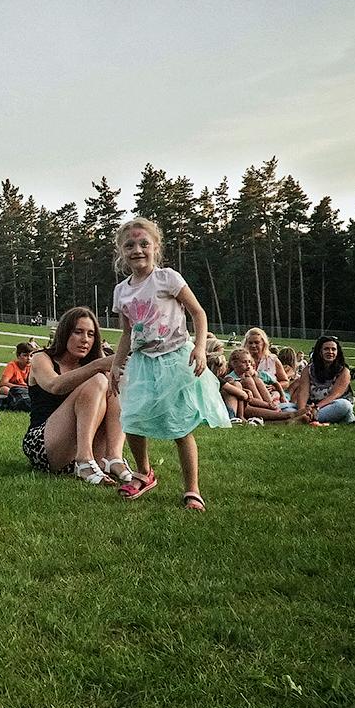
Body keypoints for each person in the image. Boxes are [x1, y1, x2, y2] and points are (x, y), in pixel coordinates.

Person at [109, 217, 230, 511]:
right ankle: (144, 472)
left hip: (175, 359)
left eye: (143, 244)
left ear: (155, 247)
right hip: (141, 363)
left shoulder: (168, 279)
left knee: (180, 425)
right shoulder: (121, 291)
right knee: (133, 419)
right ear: (121, 252)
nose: (137, 250)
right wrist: (116, 364)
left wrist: (200, 349)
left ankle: (192, 489)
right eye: (130, 245)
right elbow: (127, 333)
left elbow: (198, 313)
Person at [23, 306, 130, 486]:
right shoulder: (42, 358)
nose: (85, 340)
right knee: (98, 380)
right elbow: (54, 385)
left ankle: (113, 457)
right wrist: (98, 365)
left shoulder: (90, 364)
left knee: (113, 385)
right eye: (78, 332)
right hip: (45, 445)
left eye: (91, 334)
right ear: (64, 333)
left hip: (85, 445)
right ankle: (84, 460)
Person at [292, 335, 355, 425]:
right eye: (326, 349)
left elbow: (334, 395)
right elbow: (303, 392)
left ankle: (306, 419)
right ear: (320, 351)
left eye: (333, 349)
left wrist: (316, 408)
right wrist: (302, 410)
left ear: (337, 352)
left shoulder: (344, 371)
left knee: (344, 405)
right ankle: (305, 418)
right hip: (310, 407)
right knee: (284, 407)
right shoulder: (308, 369)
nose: (330, 352)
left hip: (331, 405)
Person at [221, 348, 293, 424]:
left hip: (255, 401)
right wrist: (246, 390)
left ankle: (270, 406)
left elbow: (276, 383)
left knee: (256, 380)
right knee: (245, 385)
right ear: (234, 363)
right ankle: (242, 415)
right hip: (246, 404)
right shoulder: (230, 377)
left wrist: (282, 395)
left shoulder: (253, 375)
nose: (248, 365)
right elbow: (237, 391)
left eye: (249, 362)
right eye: (244, 362)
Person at [243, 327, 289, 401]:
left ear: (263, 343)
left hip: (272, 396)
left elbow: (286, 382)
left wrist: (273, 387)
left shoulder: (273, 360)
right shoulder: (241, 360)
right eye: (250, 343)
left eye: (257, 342)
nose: (253, 345)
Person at [0, 342, 33, 411]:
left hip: (25, 391)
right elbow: (2, 383)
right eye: (25, 355)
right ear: (18, 356)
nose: (29, 358)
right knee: (4, 389)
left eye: (31, 356)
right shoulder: (12, 366)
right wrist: (20, 387)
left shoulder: (31, 367)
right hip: (14, 391)